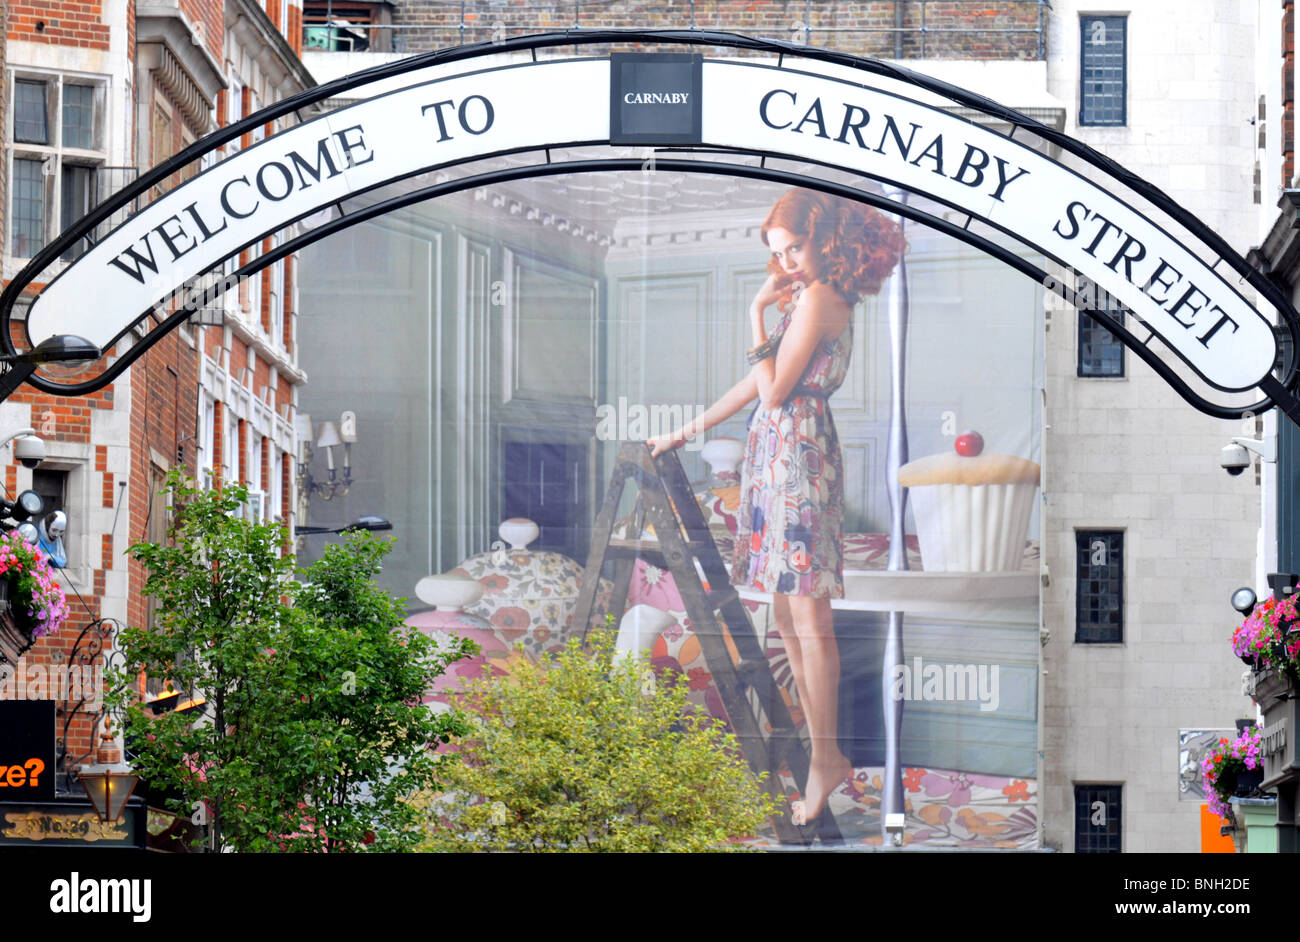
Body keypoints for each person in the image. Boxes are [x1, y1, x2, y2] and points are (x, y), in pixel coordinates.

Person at [649, 187, 904, 827]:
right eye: (779, 253)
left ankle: (826, 760)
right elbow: (755, 386)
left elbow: (774, 390)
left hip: (798, 459)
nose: (788, 262)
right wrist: (686, 430)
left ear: (824, 239)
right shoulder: (809, 294)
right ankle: (828, 755)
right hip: (778, 456)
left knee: (809, 623)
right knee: (790, 624)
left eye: (796, 248)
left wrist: (753, 315)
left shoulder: (819, 296)